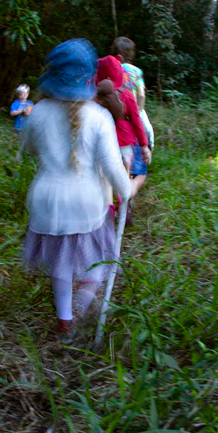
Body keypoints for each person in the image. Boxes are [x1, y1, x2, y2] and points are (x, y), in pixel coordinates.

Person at [22, 39, 131, 343]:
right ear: (89, 79)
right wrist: (127, 191)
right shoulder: (99, 117)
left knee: (60, 265)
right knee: (99, 260)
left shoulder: (39, 111)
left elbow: (30, 149)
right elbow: (111, 166)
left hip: (45, 201)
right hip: (86, 204)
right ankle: (83, 303)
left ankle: (65, 323)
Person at [112, 37, 154, 198]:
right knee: (148, 133)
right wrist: (139, 109)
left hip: (116, 117)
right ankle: (147, 154)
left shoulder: (110, 68)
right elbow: (141, 95)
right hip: (134, 113)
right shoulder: (136, 71)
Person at [95, 55, 151, 174]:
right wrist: (144, 145)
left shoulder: (95, 98)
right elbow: (137, 122)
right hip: (125, 140)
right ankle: (123, 190)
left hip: (102, 141)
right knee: (124, 170)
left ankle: (106, 190)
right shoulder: (127, 95)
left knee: (103, 173)